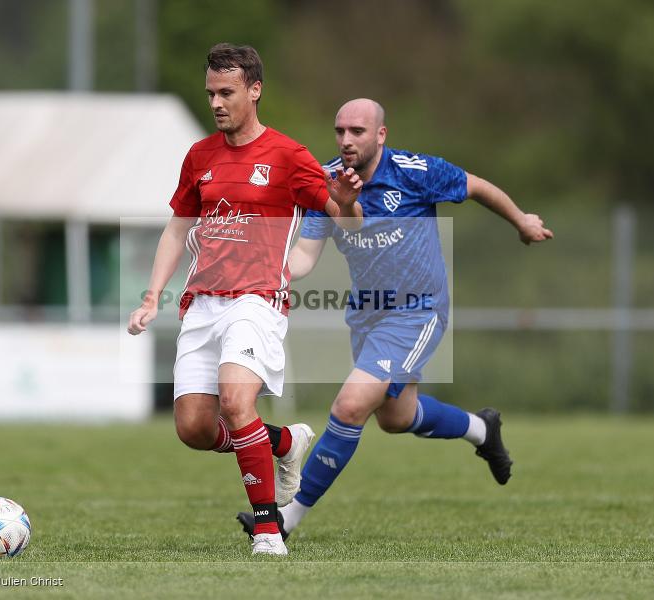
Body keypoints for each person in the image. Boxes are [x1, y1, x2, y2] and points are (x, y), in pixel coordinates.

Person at [237, 98, 553, 540]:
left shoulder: (416, 172)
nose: (346, 140)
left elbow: (477, 186)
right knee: (396, 418)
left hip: (418, 311)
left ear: (381, 135)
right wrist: (268, 273)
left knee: (350, 406)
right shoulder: (326, 183)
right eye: (340, 131)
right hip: (368, 314)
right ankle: (482, 429)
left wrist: (521, 221)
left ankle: (286, 519)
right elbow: (306, 255)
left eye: (357, 132)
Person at [127, 44, 363, 556]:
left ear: (255, 90)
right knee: (193, 427)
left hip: (257, 300)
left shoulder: (287, 155)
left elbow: (348, 220)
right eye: (211, 92)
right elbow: (176, 229)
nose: (216, 102)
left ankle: (267, 530)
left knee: (236, 403)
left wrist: (345, 202)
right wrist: (152, 296)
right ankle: (283, 443)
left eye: (227, 92)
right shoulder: (200, 156)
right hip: (202, 303)